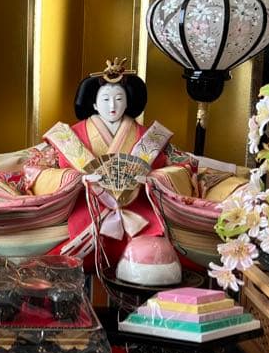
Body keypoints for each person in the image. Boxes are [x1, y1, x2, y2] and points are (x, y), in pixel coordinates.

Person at [43, 58, 187, 282]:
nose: (112, 105)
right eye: (105, 99)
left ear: (127, 102)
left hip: (137, 207)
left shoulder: (149, 137)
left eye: (119, 99)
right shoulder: (71, 137)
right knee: (66, 254)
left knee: (155, 253)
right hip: (88, 206)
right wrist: (77, 178)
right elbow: (40, 169)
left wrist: (153, 179)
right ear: (93, 103)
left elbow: (181, 167)